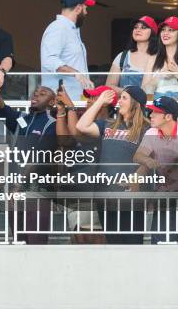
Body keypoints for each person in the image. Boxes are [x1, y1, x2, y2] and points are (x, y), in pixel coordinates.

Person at [76, 85, 150, 244]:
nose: (119, 102)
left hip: (129, 196)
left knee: (132, 244)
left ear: (135, 103)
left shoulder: (147, 128)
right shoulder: (109, 124)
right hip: (105, 194)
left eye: (124, 98)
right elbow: (81, 126)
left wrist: (137, 178)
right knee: (112, 243)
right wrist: (100, 101)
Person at [0, 78, 57, 245]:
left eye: (43, 94)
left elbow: (38, 158)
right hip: (15, 188)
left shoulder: (52, 124)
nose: (36, 95)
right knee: (18, 242)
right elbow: (2, 109)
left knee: (36, 242)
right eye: (35, 93)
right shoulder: (22, 118)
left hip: (37, 189)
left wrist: (17, 186)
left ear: (52, 102)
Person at [133, 96, 178, 244]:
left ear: (168, 116)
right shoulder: (151, 132)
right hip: (165, 196)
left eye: (155, 112)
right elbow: (138, 156)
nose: (150, 115)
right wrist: (148, 160)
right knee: (161, 244)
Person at [56, 85, 116, 244]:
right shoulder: (84, 121)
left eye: (93, 97)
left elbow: (77, 132)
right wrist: (62, 112)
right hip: (76, 187)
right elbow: (64, 140)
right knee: (78, 238)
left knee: (93, 239)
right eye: (88, 97)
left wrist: (70, 107)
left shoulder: (108, 124)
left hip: (92, 190)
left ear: (105, 102)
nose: (88, 101)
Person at [40, 0, 95, 100]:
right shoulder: (58, 28)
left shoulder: (71, 29)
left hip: (75, 99)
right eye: (85, 8)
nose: (86, 12)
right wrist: (76, 73)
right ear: (78, 8)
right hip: (60, 103)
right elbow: (49, 60)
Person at [142, 16, 178, 101]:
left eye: (171, 30)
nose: (165, 33)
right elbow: (143, 91)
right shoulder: (153, 58)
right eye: (163, 30)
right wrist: (159, 76)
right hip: (159, 105)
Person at [106, 16, 158, 93]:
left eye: (143, 28)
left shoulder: (158, 58)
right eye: (136, 27)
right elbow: (109, 87)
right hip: (125, 104)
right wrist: (129, 93)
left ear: (152, 32)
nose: (138, 30)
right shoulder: (122, 57)